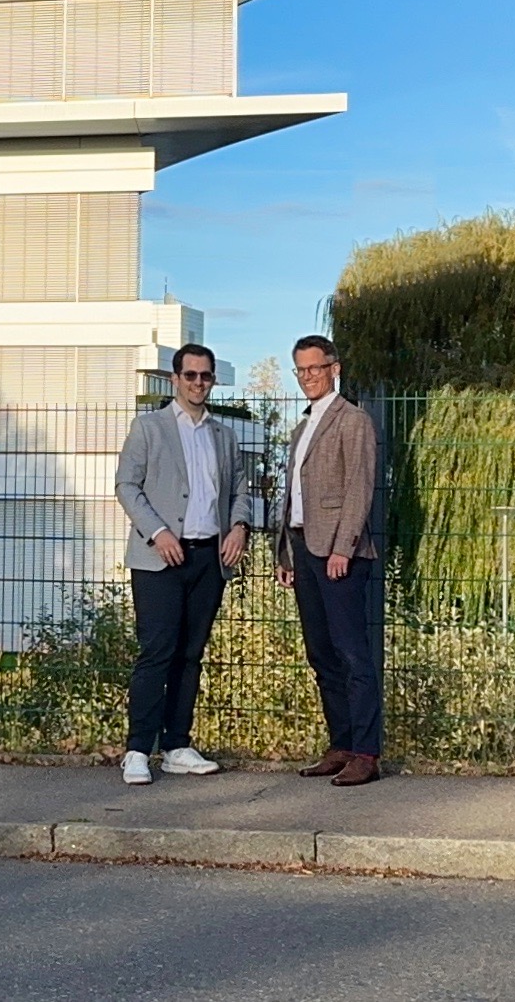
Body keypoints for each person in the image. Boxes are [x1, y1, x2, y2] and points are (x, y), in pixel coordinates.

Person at [114, 343, 251, 785]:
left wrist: (239, 527)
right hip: (159, 558)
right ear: (175, 379)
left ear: (212, 380)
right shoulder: (148, 427)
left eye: (205, 376)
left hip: (209, 558)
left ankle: (177, 745)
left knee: (191, 655)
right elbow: (127, 485)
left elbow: (240, 489)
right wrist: (158, 531)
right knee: (157, 652)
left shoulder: (224, 436)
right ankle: (138, 749)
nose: (198, 383)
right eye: (190, 375)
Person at [274, 334, 382, 787]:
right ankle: (340, 745)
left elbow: (359, 487)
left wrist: (343, 547)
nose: (307, 377)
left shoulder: (352, 420)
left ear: (334, 369)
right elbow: (294, 497)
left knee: (352, 653)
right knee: (321, 654)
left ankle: (366, 753)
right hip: (303, 549)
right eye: (300, 370)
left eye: (315, 368)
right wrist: (285, 552)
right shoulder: (302, 427)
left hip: (339, 553)